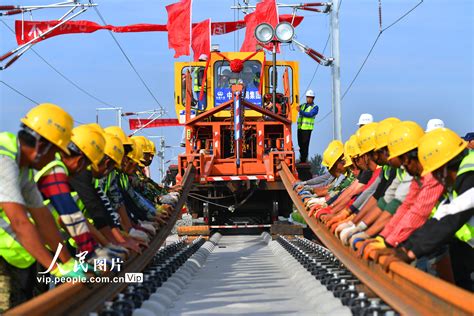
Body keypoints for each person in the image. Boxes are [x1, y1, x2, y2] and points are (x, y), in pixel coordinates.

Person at [0, 103, 84, 311]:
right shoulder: (4, 158)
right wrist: (56, 269)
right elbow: (19, 221)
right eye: (55, 151)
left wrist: (68, 263)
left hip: (14, 260)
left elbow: (43, 217)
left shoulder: (24, 169)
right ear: (41, 146)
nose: (55, 158)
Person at [375, 128, 473, 290]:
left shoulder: (470, 175)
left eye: (435, 172)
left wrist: (409, 253)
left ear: (443, 168)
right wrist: (405, 248)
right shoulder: (458, 182)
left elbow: (453, 217)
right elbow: (440, 217)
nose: (433, 178)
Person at [297, 90, 319, 163]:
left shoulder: (315, 107)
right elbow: (295, 107)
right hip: (300, 128)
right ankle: (302, 158)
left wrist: (300, 111)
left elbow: (310, 114)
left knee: (305, 145)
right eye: (308, 97)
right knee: (300, 144)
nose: (309, 99)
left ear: (313, 98)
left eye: (310, 98)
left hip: (307, 129)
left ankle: (303, 160)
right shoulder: (303, 105)